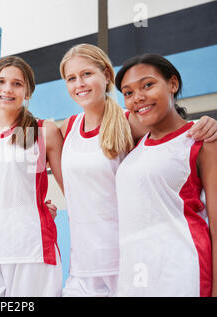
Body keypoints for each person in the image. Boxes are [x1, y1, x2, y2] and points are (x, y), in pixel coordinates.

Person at [58, 43, 217, 297]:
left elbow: (176, 133)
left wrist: (206, 123)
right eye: (71, 78)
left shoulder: (131, 122)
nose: (80, 83)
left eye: (87, 74)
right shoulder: (67, 128)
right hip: (92, 264)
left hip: (136, 262)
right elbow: (24, 138)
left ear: (106, 75)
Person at [0, 56, 65, 297]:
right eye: (1, 81)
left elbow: (72, 189)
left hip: (31, 251)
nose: (7, 89)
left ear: (27, 92)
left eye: (17, 84)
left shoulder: (44, 131)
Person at [114, 54, 217, 296]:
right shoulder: (135, 147)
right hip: (134, 277)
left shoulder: (201, 140)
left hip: (182, 274)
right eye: (128, 93)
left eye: (147, 85)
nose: (138, 98)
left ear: (173, 84)